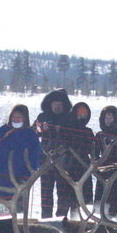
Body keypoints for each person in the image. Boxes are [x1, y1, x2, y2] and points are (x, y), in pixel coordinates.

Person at [34, 88, 73, 218]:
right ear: (49, 103)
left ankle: (61, 219)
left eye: (60, 103)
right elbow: (34, 131)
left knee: (63, 193)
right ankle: (46, 219)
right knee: (46, 193)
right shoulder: (42, 117)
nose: (57, 106)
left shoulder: (69, 118)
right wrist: (40, 128)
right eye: (54, 102)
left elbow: (73, 139)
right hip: (45, 162)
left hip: (64, 162)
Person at [57, 101, 95, 218]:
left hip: (82, 171)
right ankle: (59, 228)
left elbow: (92, 149)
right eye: (79, 114)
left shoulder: (88, 132)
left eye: (84, 115)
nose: (81, 117)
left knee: (77, 207)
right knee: (63, 205)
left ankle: (75, 230)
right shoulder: (65, 129)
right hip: (66, 170)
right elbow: (60, 145)